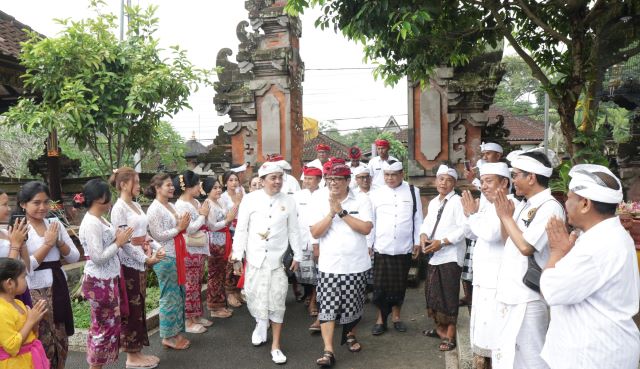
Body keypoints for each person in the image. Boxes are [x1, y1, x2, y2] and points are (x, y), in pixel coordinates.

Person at [541, 165, 640, 369]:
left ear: (585, 204)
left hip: (593, 355)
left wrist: (557, 252)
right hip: (601, 349)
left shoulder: (598, 245)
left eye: (569, 198)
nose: (565, 203)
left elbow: (552, 291)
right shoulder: (604, 236)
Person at [492, 150, 564, 369]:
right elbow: (509, 242)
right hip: (511, 292)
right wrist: (502, 217)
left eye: (516, 175)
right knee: (510, 356)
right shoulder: (526, 204)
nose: (513, 180)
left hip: (528, 297)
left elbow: (525, 247)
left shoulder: (550, 206)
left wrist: (506, 217)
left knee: (533, 358)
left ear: (531, 177)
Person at [231, 161, 302, 365]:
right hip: (255, 259)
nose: (277, 181)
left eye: (280, 177)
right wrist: (237, 254)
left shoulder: (289, 201)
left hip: (277, 261)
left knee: (277, 301)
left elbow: (294, 230)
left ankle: (276, 346)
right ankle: (261, 323)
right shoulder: (250, 200)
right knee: (255, 297)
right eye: (273, 178)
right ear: (262, 181)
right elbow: (242, 229)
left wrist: (298, 254)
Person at [310, 161, 373, 366]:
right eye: (330, 179)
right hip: (329, 265)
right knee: (327, 307)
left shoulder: (362, 199)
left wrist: (342, 212)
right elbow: (315, 232)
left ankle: (350, 334)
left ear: (348, 180)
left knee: (352, 306)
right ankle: (328, 350)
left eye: (338, 179)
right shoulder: (318, 199)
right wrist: (331, 213)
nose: (333, 183)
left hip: (356, 263)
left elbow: (365, 228)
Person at [19, 181, 79, 369]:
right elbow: (25, 267)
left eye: (46, 202)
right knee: (42, 337)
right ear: (23, 204)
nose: (42, 207)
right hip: (34, 289)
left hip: (57, 284)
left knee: (60, 335)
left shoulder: (55, 224)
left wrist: (59, 242)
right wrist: (47, 245)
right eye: (36, 203)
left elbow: (74, 257)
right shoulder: (21, 229)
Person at [461, 162, 515, 369]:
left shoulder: (509, 204)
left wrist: (472, 215)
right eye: (482, 181)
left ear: (504, 183)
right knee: (484, 328)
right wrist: (470, 214)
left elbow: (491, 234)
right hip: (484, 278)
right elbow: (470, 233)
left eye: (489, 181)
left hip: (498, 279)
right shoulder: (488, 205)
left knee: (495, 332)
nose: (483, 186)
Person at [109, 167, 164, 369]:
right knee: (130, 307)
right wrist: (144, 259)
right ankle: (131, 356)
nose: (139, 186)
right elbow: (124, 241)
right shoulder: (119, 208)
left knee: (139, 304)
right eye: (137, 182)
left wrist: (157, 248)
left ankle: (137, 351)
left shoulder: (136, 205)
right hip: (128, 263)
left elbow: (145, 234)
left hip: (140, 260)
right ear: (124, 184)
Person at [78, 179, 132, 369]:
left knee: (107, 326)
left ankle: (98, 365)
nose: (109, 202)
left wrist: (118, 239)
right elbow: (97, 257)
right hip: (99, 280)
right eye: (107, 198)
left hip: (107, 278)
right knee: (102, 329)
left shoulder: (100, 218)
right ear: (99, 199)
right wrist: (118, 242)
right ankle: (95, 366)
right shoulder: (92, 222)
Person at [369, 160, 422, 335]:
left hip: (403, 247)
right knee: (380, 286)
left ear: (402, 174)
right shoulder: (376, 194)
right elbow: (372, 221)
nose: (390, 178)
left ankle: (396, 317)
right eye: (386, 175)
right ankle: (380, 319)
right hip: (382, 247)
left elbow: (417, 219)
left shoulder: (413, 192)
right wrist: (369, 244)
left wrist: (417, 242)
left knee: (399, 286)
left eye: (393, 175)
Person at [419, 164, 466, 352]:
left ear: (454, 183)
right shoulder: (434, 202)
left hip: (450, 255)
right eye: (441, 179)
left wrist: (443, 242)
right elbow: (427, 223)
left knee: (448, 295)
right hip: (434, 254)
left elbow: (465, 229)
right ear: (436, 180)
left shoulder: (458, 201)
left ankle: (450, 335)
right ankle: (439, 328)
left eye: (448, 180)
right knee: (433, 294)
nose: (443, 183)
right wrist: (422, 235)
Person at [146, 174, 192, 351]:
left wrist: (182, 225)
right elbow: (157, 235)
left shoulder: (171, 205)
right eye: (167, 185)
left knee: (178, 294)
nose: (172, 188)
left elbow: (179, 227)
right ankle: (167, 336)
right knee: (169, 296)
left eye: (172, 185)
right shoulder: (154, 209)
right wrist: (179, 228)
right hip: (165, 256)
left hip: (176, 253)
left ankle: (175, 332)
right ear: (157, 188)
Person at [461, 142, 504, 308]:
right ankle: (469, 296)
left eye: (489, 154)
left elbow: (492, 233)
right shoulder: (484, 178)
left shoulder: (504, 177)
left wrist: (472, 214)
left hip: (488, 227)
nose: (484, 157)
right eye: (483, 153)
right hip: (479, 223)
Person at [173, 170, 212, 333]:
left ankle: (196, 315)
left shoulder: (195, 202)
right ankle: (189, 320)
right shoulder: (181, 205)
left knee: (196, 282)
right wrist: (203, 216)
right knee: (190, 284)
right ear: (188, 187)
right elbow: (189, 229)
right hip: (189, 248)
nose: (199, 187)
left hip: (199, 247)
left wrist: (204, 215)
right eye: (197, 184)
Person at [0, 257, 48, 369]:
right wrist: (30, 321)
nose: (26, 280)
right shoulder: (2, 310)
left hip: (29, 361)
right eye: (23, 277)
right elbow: (12, 347)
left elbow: (31, 336)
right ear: (10, 283)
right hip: (14, 364)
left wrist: (35, 323)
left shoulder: (18, 303)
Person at [293, 165, 323, 331]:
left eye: (310, 179)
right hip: (302, 239)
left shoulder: (324, 195)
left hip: (319, 240)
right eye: (305, 178)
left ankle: (314, 300)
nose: (306, 182)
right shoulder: (298, 196)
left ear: (319, 180)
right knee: (306, 273)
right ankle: (309, 295)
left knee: (318, 273)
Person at [201, 177, 235, 319]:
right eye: (214, 188)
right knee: (214, 275)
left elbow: (229, 214)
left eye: (219, 187)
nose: (218, 190)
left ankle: (221, 304)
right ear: (208, 190)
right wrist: (227, 221)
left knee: (221, 273)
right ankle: (214, 307)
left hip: (223, 240)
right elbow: (212, 226)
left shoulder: (220, 201)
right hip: (214, 242)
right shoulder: (208, 204)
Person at [0, 189, 30, 306]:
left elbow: (26, 267)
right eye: (4, 204)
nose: (8, 209)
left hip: (20, 289)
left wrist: (22, 243)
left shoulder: (5, 232)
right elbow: (4, 273)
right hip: (4, 295)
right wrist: (15, 246)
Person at [220, 171, 244, 308]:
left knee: (241, 261)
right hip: (229, 231)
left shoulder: (242, 194)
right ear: (225, 182)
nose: (234, 182)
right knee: (231, 262)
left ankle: (238, 290)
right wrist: (236, 203)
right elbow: (227, 217)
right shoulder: (223, 197)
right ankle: (229, 292)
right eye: (230, 180)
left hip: (241, 231)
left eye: (236, 180)